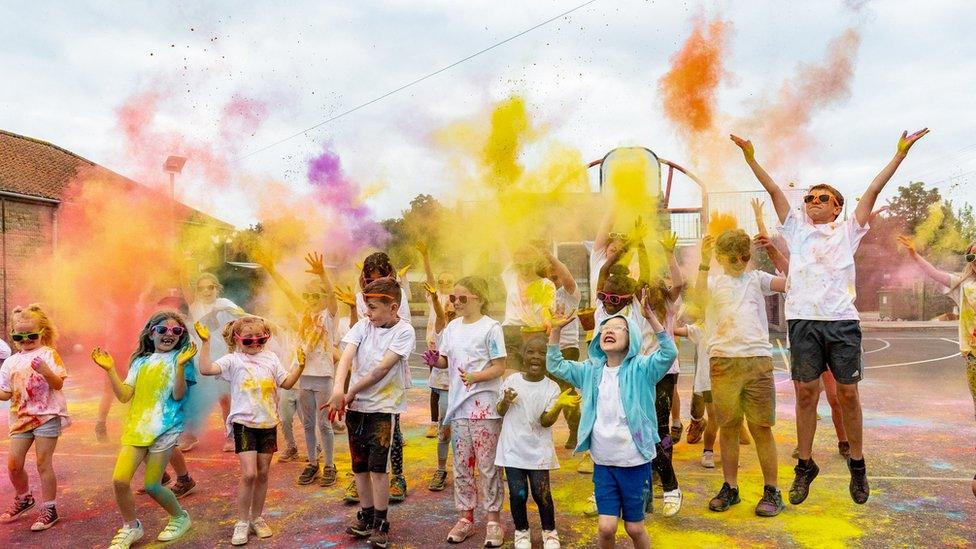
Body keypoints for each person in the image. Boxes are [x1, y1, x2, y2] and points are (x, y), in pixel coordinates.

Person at [731, 127, 929, 505]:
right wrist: (751, 158)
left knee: (848, 394)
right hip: (803, 321)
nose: (813, 201)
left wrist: (900, 154)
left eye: (823, 197)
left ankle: (857, 463)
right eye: (809, 197)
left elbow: (873, 189)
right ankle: (805, 464)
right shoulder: (796, 229)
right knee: (806, 394)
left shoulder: (848, 230)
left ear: (837, 206)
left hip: (841, 322)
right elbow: (774, 191)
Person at [547, 293, 677, 549]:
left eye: (618, 328)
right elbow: (555, 364)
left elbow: (668, 353)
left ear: (632, 339)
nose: (609, 330)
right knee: (606, 527)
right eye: (605, 328)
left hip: (634, 463)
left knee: (634, 528)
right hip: (604, 463)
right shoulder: (590, 371)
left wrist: (650, 318)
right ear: (597, 339)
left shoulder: (642, 369)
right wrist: (555, 331)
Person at [696, 231, 787, 516]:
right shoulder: (712, 282)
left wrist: (774, 251)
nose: (740, 263)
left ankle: (772, 490)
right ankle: (730, 487)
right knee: (729, 426)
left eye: (745, 257)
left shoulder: (757, 278)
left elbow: (790, 284)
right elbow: (698, 301)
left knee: (761, 427)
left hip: (758, 360)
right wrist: (702, 262)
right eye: (734, 258)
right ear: (720, 258)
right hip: (723, 361)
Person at [197, 315, 306, 546]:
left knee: (263, 474)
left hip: (267, 424)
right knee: (249, 474)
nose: (255, 343)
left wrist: (300, 366)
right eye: (248, 340)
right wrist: (205, 344)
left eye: (261, 339)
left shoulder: (271, 358)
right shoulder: (233, 360)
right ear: (237, 340)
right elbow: (206, 369)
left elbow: (286, 383)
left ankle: (257, 518)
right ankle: (242, 521)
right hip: (244, 424)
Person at [91, 311, 196, 548]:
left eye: (176, 331)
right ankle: (131, 527)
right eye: (163, 330)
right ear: (152, 333)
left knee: (152, 486)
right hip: (137, 429)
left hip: (165, 429)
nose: (169, 334)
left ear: (181, 336)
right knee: (119, 480)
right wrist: (110, 370)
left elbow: (179, 395)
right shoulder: (140, 362)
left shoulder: (182, 360)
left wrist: (180, 366)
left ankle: (180, 517)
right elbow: (124, 396)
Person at [327, 277, 416, 549]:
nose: (368, 312)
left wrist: (349, 391)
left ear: (393, 307)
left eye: (374, 307)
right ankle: (365, 516)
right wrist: (337, 389)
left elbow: (381, 369)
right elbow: (345, 357)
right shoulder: (362, 326)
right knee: (359, 465)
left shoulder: (404, 332)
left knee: (378, 468)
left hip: (382, 409)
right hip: (357, 409)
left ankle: (381, 522)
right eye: (367, 306)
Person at [424, 276, 508, 547]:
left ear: (480, 299)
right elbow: (446, 361)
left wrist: (476, 377)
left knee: (488, 467)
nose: (456, 302)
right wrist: (434, 361)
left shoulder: (491, 328)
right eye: (453, 298)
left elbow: (499, 366)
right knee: (462, 466)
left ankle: (493, 520)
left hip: (485, 408)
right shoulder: (451, 328)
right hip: (459, 408)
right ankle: (466, 518)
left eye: (462, 298)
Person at [258, 252, 341, 484]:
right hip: (304, 377)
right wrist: (272, 270)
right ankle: (312, 463)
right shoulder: (303, 314)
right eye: (308, 295)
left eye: (316, 295)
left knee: (324, 423)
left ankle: (329, 465)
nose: (311, 298)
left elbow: (333, 294)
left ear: (324, 298)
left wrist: (323, 274)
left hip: (323, 377)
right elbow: (287, 291)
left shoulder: (328, 316)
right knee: (307, 423)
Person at [496, 333, 577, 549]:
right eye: (530, 351)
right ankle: (521, 531)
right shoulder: (511, 381)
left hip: (539, 453)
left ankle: (549, 531)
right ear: (522, 355)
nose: (536, 357)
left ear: (548, 359)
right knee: (517, 495)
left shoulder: (552, 388)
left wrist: (559, 405)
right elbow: (499, 410)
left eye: (542, 353)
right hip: (513, 451)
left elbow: (545, 421)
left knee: (542, 495)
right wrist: (505, 400)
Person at [0, 305, 70, 532]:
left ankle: (50, 508)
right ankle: (24, 497)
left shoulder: (48, 354)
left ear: (42, 332)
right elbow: (6, 394)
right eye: (19, 336)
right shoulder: (10, 362)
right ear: (13, 335)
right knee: (13, 465)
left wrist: (46, 371)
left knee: (43, 463)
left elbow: (58, 383)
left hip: (47, 415)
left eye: (31, 335)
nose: (26, 340)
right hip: (21, 418)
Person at [900, 235, 976, 421]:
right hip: (973, 354)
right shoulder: (963, 284)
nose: (975, 261)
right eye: (971, 257)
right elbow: (933, 272)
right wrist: (914, 254)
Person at [181, 272, 246, 453]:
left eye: (210, 287)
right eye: (202, 288)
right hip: (201, 358)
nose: (206, 291)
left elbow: (243, 320)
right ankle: (191, 434)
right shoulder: (195, 306)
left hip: (223, 359)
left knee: (225, 399)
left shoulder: (224, 304)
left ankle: (232, 434)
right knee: (195, 397)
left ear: (217, 288)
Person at [417, 241, 456, 439]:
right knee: (435, 386)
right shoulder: (436, 297)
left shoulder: (458, 300)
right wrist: (425, 258)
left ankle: (453, 418)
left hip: (455, 348)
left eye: (449, 282)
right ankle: (434, 423)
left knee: (456, 383)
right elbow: (431, 280)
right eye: (442, 282)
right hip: (435, 345)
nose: (445, 284)